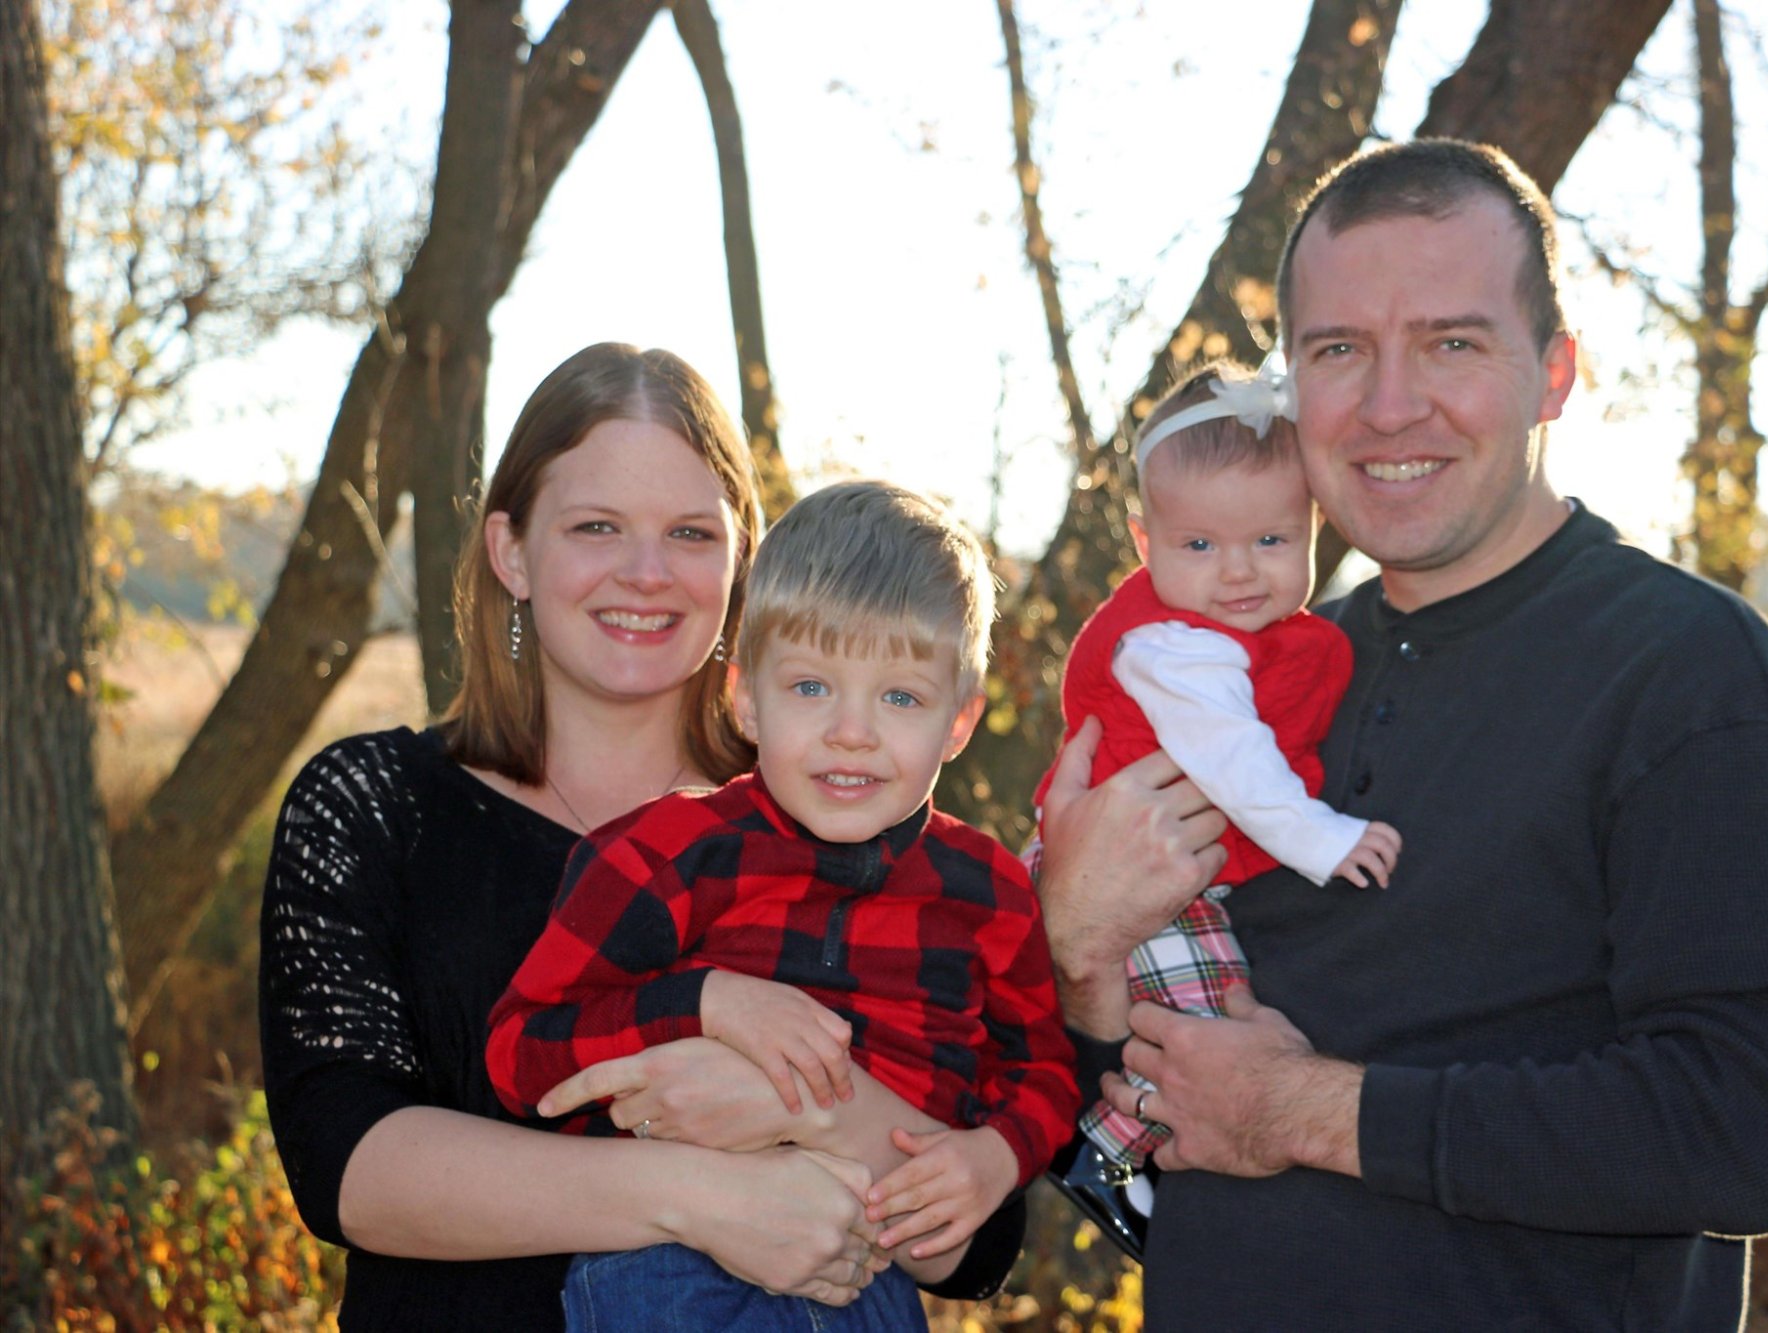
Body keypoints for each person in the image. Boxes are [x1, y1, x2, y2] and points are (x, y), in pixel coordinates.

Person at [1035, 140, 1768, 1328]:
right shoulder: (1248, 673)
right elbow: (1127, 1149)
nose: (1387, 404)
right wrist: (1077, 952)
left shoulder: (1686, 672)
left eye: (1450, 342)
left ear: (1554, 372)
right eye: (1337, 351)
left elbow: (1747, 1130)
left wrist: (1311, 1111)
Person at [259, 345, 1026, 1332]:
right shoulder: (374, 806)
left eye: (690, 533)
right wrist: (699, 1194)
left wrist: (809, 1110)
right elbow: (347, 1165)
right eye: (595, 527)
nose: (646, 572)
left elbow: (983, 1238)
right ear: (511, 550)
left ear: (742, 560)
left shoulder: (851, 822)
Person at [487, 479, 1080, 1332]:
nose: (852, 731)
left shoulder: (987, 894)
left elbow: (1045, 1074)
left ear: (959, 722)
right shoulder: (668, 852)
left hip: (870, 1274)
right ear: (746, 699)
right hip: (669, 1262)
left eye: (901, 697)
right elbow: (521, 1050)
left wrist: (995, 1154)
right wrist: (704, 1003)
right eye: (810, 688)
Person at [1035, 359, 1401, 1258]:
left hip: (1167, 866)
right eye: (1199, 546)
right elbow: (1238, 766)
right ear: (1143, 538)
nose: (1237, 573)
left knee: (1203, 1008)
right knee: (1202, 1020)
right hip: (1120, 867)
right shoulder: (1173, 644)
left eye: (1272, 542)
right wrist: (1327, 837)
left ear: (1315, 525)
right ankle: (1116, 1160)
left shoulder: (1256, 634)